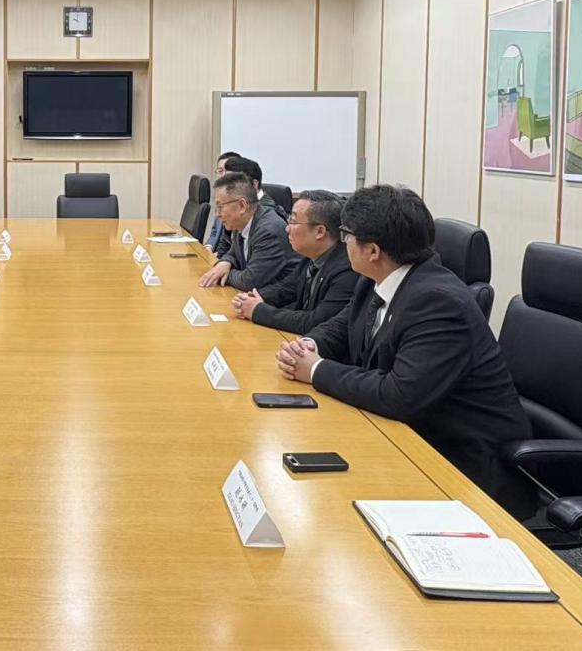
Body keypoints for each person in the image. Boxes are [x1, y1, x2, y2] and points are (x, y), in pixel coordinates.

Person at [276, 185, 533, 515]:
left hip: (458, 463)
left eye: (347, 235)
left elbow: (399, 395)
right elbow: (342, 326)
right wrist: (311, 345)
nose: (343, 243)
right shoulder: (378, 277)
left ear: (373, 250)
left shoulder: (437, 302)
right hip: (402, 435)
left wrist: (315, 369)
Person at [232, 190, 358, 334]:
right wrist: (252, 298)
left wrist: (258, 310)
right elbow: (286, 289)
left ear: (320, 231)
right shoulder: (310, 258)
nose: (287, 228)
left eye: (293, 221)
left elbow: (315, 322)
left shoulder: (347, 270)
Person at [198, 172, 299, 292]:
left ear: (242, 205)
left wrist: (225, 273)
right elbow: (233, 254)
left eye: (220, 207)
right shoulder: (241, 222)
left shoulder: (269, 230)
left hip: (278, 299)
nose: (217, 214)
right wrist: (225, 262)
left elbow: (249, 281)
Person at [204, 151, 243, 250]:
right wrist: (209, 247)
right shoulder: (221, 197)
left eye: (228, 171)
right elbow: (214, 231)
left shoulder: (239, 205)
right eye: (220, 171)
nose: (224, 175)